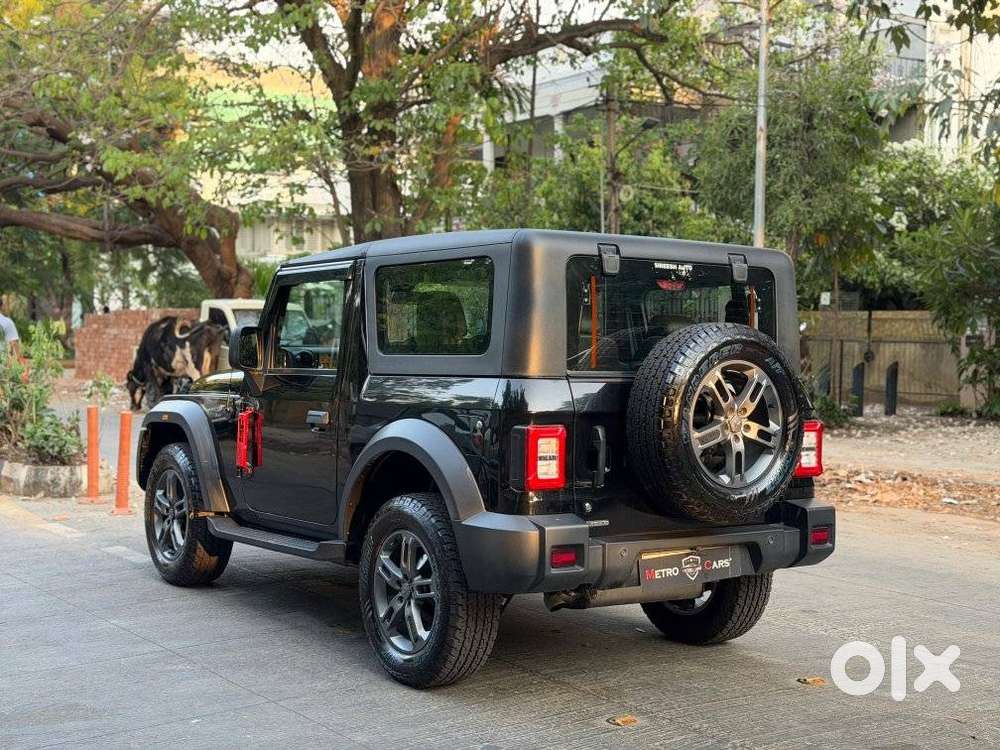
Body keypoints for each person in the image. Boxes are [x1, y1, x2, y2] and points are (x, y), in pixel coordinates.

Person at [0, 298, 28, 372]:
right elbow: (14, 343)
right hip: (2, 362)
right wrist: (21, 363)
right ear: (2, 306)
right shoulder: (7, 322)